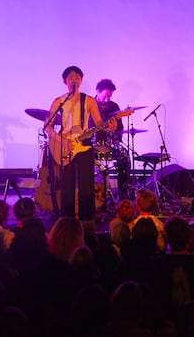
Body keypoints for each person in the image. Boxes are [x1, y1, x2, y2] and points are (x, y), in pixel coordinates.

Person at [45, 66, 114, 223]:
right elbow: (47, 126)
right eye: (70, 77)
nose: (74, 80)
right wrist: (62, 141)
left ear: (81, 80)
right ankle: (67, 221)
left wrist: (110, 125)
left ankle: (86, 221)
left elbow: (98, 123)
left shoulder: (89, 100)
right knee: (67, 185)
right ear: (64, 81)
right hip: (64, 144)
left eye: (77, 77)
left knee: (86, 184)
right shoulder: (58, 101)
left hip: (84, 142)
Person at [91, 78, 131, 199]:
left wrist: (116, 136)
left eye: (110, 96)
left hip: (109, 145)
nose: (107, 100)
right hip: (91, 145)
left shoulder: (114, 106)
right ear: (97, 91)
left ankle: (123, 194)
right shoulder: (89, 105)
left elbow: (120, 128)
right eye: (104, 96)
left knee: (124, 157)